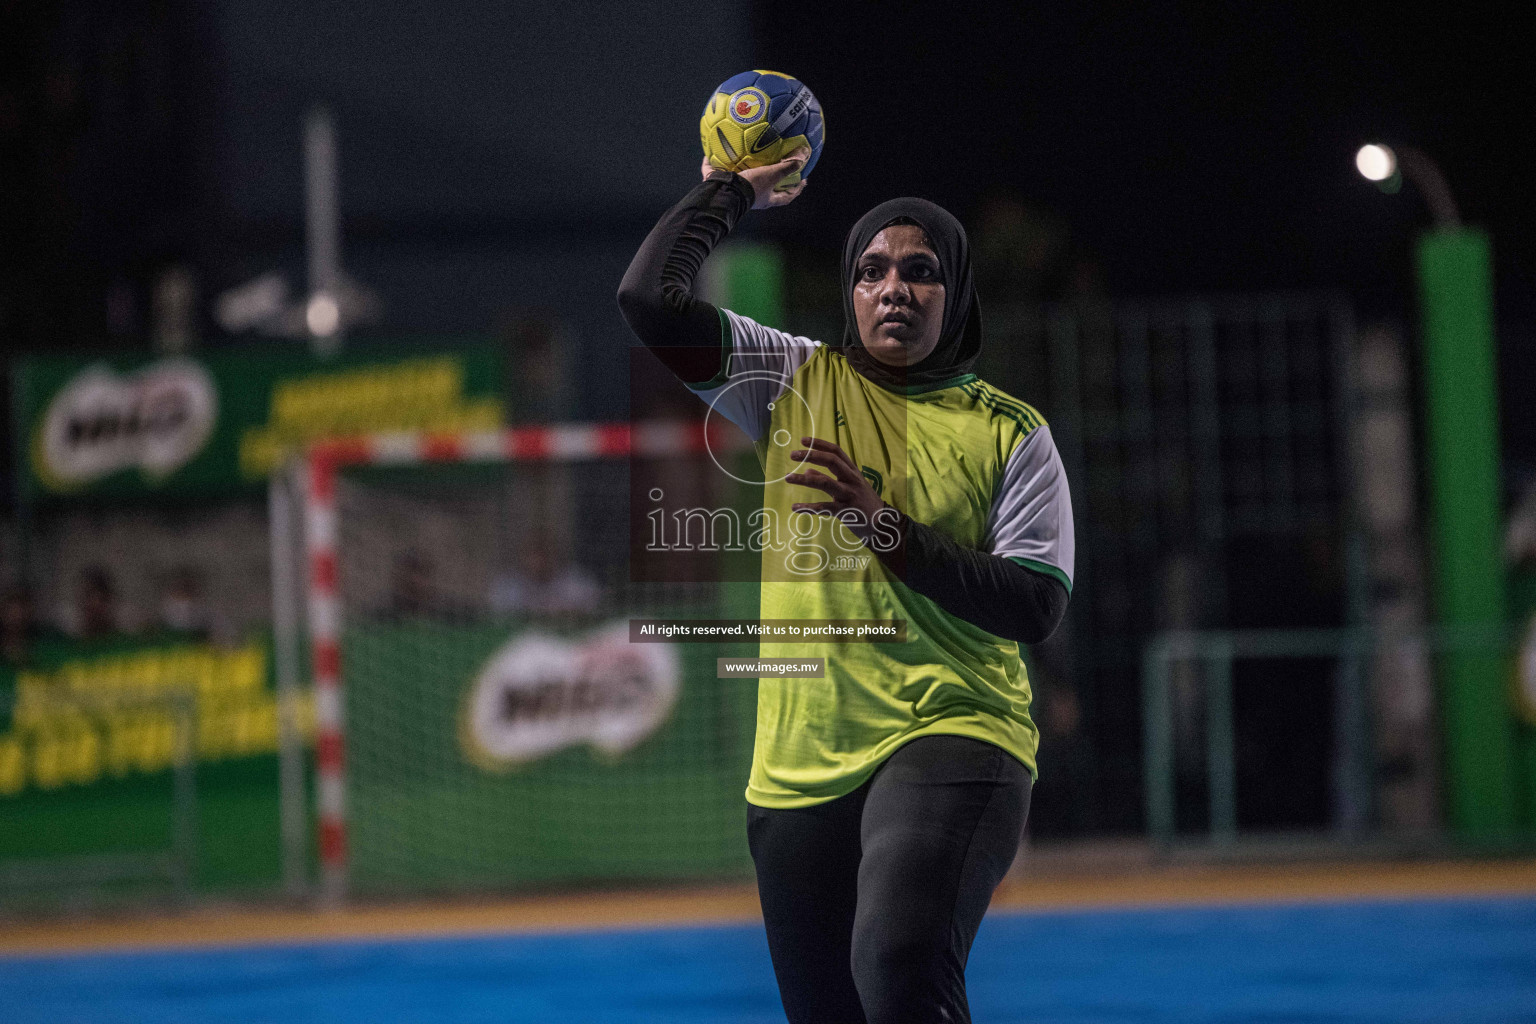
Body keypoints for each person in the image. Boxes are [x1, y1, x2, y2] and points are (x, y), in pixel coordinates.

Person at [618, 151, 1074, 1023]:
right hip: (797, 762)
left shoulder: (1013, 434)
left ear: (957, 293)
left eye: (920, 272)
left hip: (954, 728)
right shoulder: (790, 378)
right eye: (871, 271)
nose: (893, 289)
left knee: (899, 966)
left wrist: (887, 530)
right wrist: (732, 190)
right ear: (850, 290)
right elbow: (648, 300)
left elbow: (1035, 603)